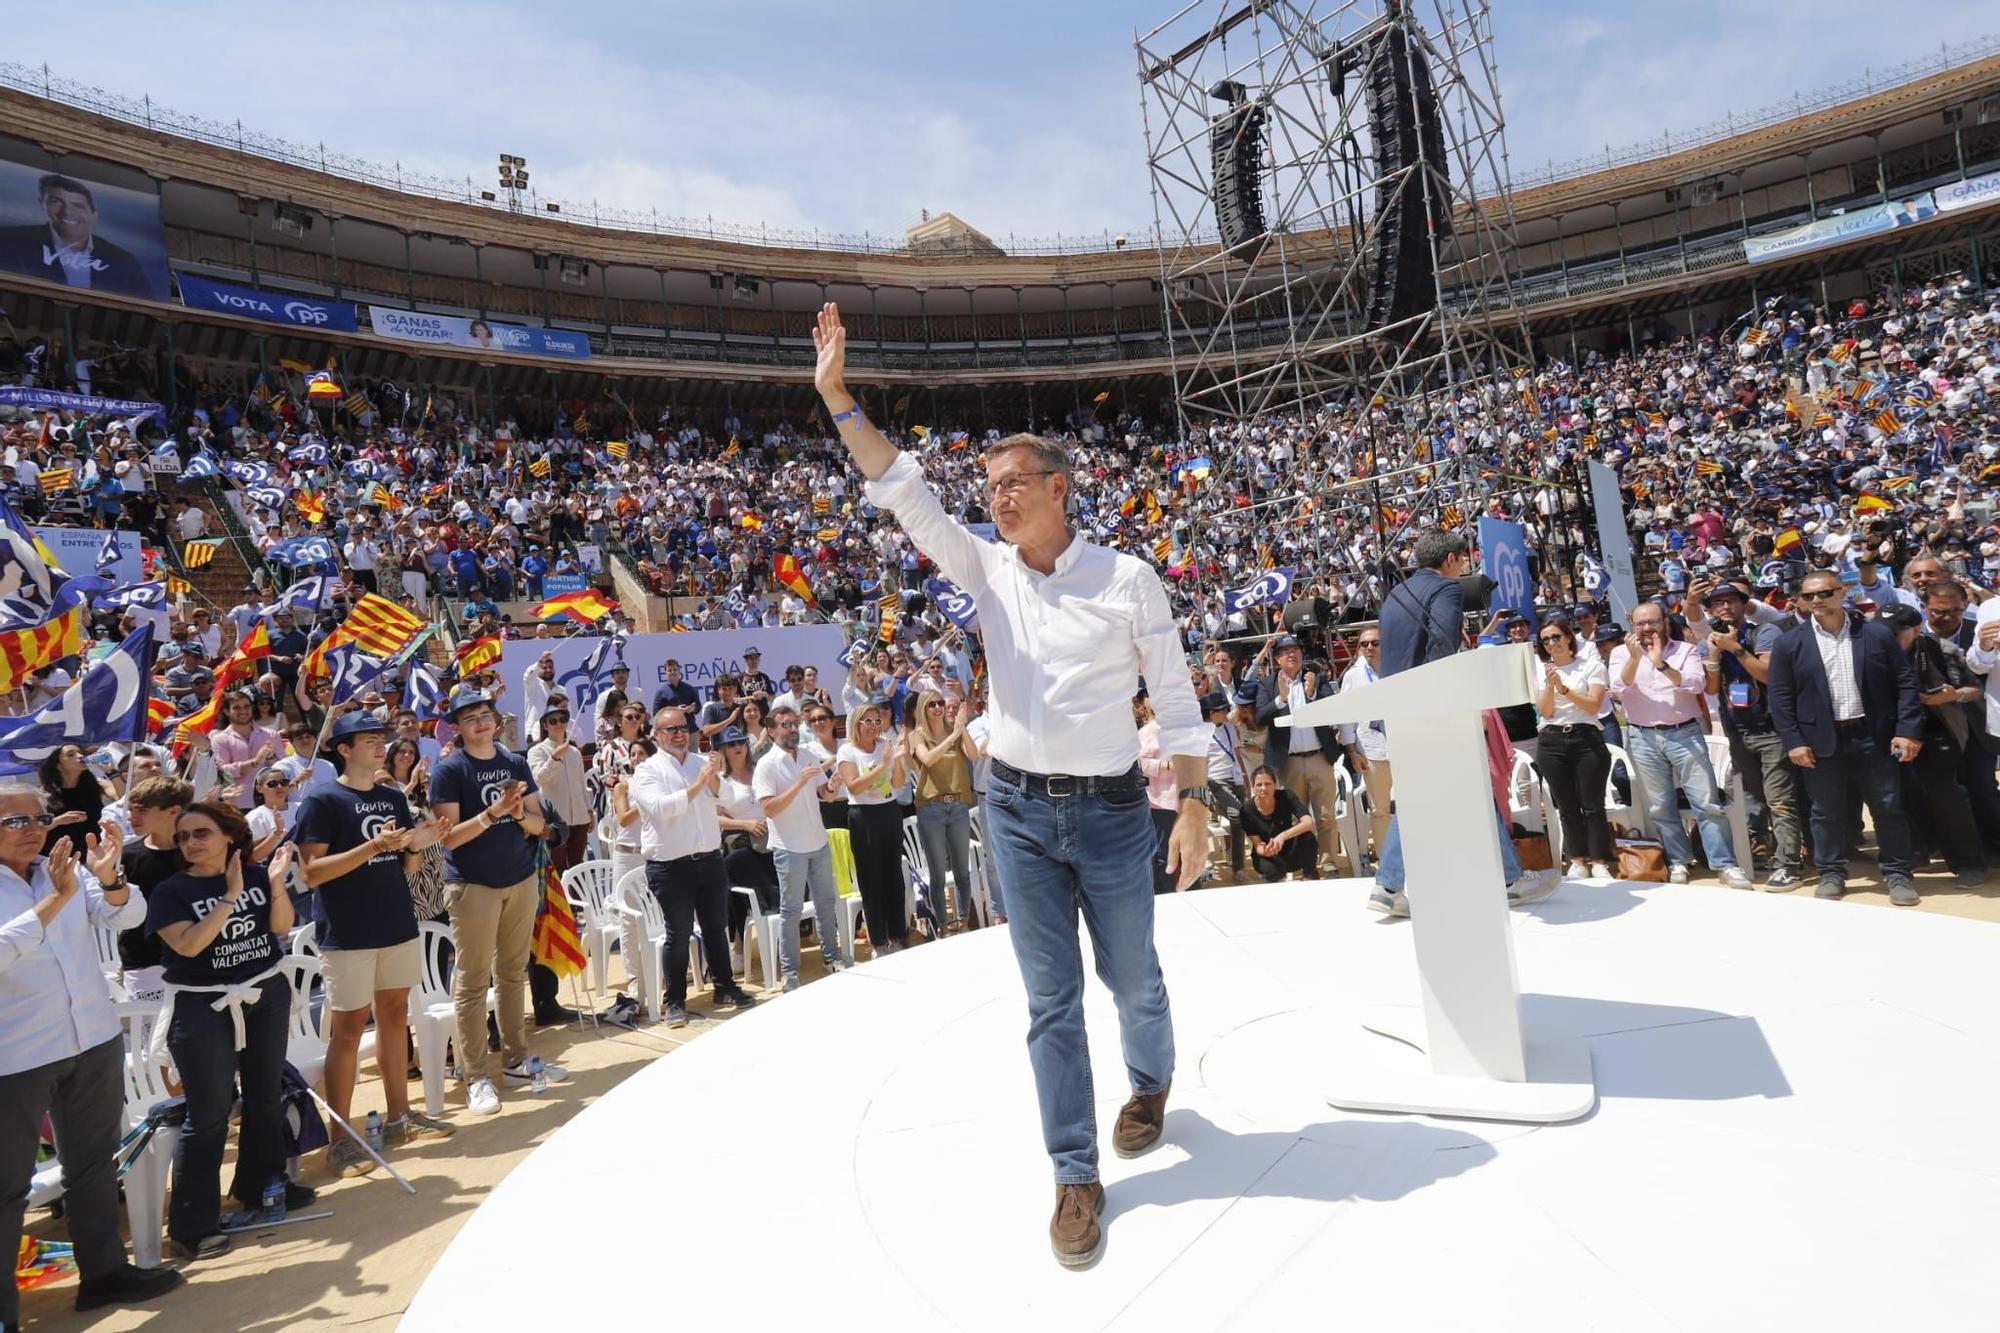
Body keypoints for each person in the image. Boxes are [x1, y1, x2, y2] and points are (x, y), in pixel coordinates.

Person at [815, 301, 1208, 1269]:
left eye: (1009, 482)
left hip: (1115, 812)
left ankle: (1151, 1079)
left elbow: (1178, 700)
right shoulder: (985, 570)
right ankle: (1074, 1174)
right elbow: (903, 492)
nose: (992, 497)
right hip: (1018, 812)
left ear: (1058, 488)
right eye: (986, 486)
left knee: (1132, 979)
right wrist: (836, 399)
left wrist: (1193, 801)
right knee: (1050, 999)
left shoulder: (1126, 580)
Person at [0, 785, 183, 1324]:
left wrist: (109, 876)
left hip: (91, 1037)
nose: (34, 828)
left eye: (40, 817)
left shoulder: (65, 870)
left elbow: (125, 918)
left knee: (93, 1166)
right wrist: (55, 900)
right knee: (8, 1187)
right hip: (16, 1054)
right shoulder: (55, 883)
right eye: (16, 821)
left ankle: (103, 1275)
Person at [146, 802, 307, 1259]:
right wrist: (230, 896)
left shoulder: (256, 875)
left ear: (229, 836)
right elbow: (191, 944)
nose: (191, 843)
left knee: (264, 1094)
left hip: (262, 991)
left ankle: (263, 1186)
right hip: (203, 1005)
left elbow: (282, 928)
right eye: (183, 837)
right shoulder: (170, 891)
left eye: (202, 833)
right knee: (210, 1112)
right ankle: (193, 1224)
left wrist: (273, 884)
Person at [294, 712, 455, 1168]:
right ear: (343, 749)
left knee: (394, 1017)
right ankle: (340, 1137)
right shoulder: (322, 800)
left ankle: (399, 1116)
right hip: (348, 931)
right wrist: (374, 847)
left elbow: (405, 868)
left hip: (395, 922)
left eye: (381, 739)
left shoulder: (390, 797)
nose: (380, 746)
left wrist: (417, 845)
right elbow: (311, 873)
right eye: (368, 740)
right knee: (346, 1031)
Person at [1371, 532, 1547, 916]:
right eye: (1463, 560)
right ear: (1451, 559)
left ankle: (1389, 885)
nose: (1464, 568)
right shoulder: (1447, 590)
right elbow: (1442, 649)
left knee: (1435, 794)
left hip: (1397, 710)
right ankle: (1509, 879)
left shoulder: (1395, 595)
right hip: (1433, 710)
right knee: (1469, 791)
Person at [428, 689, 565, 1115]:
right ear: (457, 726)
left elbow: (541, 824)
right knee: (472, 983)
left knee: (512, 973)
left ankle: (516, 1059)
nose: (482, 722)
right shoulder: (450, 770)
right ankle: (475, 1077)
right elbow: (447, 836)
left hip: (519, 878)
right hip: (473, 885)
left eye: (486, 714)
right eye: (471, 718)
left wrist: (517, 815)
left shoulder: (515, 763)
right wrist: (493, 814)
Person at [1767, 570, 1925, 904]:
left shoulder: (1876, 634)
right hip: (1820, 740)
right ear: (1799, 601)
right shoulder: (1789, 643)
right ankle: (1831, 874)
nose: (1817, 601)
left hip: (1874, 735)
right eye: (1808, 596)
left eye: (1824, 593)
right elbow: (1780, 700)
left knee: (1888, 807)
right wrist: (1794, 741)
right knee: (1825, 811)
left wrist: (1906, 731)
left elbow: (1906, 684)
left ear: (1842, 592)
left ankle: (1897, 873)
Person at [629, 706, 759, 1027]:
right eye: (671, 730)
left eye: (683, 728)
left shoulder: (703, 763)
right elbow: (661, 809)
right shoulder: (648, 770)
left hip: (709, 859)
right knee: (679, 933)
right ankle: (674, 1000)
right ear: (657, 735)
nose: (679, 734)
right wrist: (699, 784)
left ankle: (725, 987)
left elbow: (730, 798)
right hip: (671, 866)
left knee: (717, 928)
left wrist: (712, 779)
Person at [1608, 600, 1752, 888]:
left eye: (1653, 622)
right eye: (1640, 623)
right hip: (1642, 736)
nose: (1647, 627)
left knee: (1706, 802)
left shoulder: (1684, 650)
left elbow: (1696, 685)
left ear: (1664, 622)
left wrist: (1660, 663)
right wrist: (1636, 659)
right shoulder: (1620, 653)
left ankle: (1725, 864)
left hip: (1684, 733)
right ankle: (1678, 861)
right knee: (1661, 806)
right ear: (1632, 626)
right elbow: (1619, 690)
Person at [1704, 581, 1806, 890]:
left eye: (1731, 600)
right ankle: (1785, 848)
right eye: (1717, 603)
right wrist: (1713, 654)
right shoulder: (1711, 641)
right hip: (1737, 731)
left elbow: (1767, 675)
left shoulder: (1764, 632)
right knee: (1759, 799)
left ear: (1742, 604)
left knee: (1779, 800)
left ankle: (1789, 864)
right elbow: (1710, 688)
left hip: (1770, 729)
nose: (1725, 607)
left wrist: (1735, 648)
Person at [1877, 604, 1987, 888]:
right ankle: (1917, 851)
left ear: (1916, 631)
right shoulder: (1870, 648)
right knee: (1897, 796)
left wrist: (1951, 696)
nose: (1887, 638)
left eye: (1894, 634)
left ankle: (1968, 863)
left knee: (1946, 796)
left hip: (1935, 729)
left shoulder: (1941, 651)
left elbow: (1973, 687)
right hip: (1890, 731)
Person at [752, 703, 851, 989]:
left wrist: (831, 785)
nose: (793, 729)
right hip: (789, 847)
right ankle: (790, 972)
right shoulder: (766, 766)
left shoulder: (807, 754)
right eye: (786, 725)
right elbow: (769, 808)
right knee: (791, 910)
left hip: (817, 841)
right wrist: (798, 784)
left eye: (795, 723)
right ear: (771, 731)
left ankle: (831, 957)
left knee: (825, 903)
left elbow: (826, 796)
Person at [1532, 618, 1615, 880]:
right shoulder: (1541, 672)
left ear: (1568, 638)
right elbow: (1545, 711)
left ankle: (1600, 860)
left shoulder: (1590, 666)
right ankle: (1577, 858)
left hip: (1585, 737)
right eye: (1545, 640)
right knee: (1566, 805)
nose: (1551, 644)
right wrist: (1549, 684)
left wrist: (1564, 689)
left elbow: (1593, 706)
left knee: (1592, 804)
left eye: (1556, 637)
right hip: (1552, 740)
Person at [1253, 635, 1342, 875]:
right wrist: (1281, 699)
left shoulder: (1316, 678)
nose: (1292, 654)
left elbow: (1333, 710)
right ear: (1278, 659)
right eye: (1286, 651)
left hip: (1319, 758)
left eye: (1295, 649)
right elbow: (1260, 719)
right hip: (1288, 762)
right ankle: (1303, 866)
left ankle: (1329, 861)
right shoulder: (1268, 684)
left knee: (1326, 816)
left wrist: (1312, 694)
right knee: (1295, 820)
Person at [0, 173, 165, 300]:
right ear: (42, 204)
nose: (67, 211)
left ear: (94, 215)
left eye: (77, 205)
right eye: (56, 201)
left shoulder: (121, 260)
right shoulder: (14, 240)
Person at [835, 698, 910, 955]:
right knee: (871, 879)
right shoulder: (847, 752)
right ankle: (878, 940)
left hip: (889, 811)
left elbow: (898, 782)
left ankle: (898, 934)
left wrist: (897, 759)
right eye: (867, 721)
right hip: (863, 816)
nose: (873, 726)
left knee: (893, 876)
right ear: (856, 724)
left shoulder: (885, 746)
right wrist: (881, 765)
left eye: (876, 721)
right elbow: (853, 786)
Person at [909, 688, 980, 930]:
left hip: (958, 805)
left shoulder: (955, 732)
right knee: (938, 873)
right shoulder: (917, 736)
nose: (938, 708)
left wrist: (962, 729)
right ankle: (941, 923)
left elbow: (974, 754)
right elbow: (927, 759)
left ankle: (963, 921)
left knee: (962, 870)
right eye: (932, 704)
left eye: (940, 703)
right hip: (931, 809)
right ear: (923, 709)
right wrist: (952, 738)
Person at [715, 726, 779, 968]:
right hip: (740, 840)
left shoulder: (760, 769)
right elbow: (715, 817)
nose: (737, 747)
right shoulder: (721, 781)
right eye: (731, 744)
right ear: (724, 750)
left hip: (771, 837)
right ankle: (738, 945)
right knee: (736, 884)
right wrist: (746, 823)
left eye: (741, 742)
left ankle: (778, 934)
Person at [1337, 627, 1392, 865]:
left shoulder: (1398, 666)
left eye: (1375, 643)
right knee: (1379, 810)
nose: (1369, 648)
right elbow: (1346, 716)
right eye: (1364, 644)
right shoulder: (1353, 676)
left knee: (1413, 805)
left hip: (1403, 745)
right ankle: (1386, 860)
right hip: (1372, 750)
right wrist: (1351, 751)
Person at [528, 706, 592, 876]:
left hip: (579, 817)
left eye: (562, 720)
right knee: (557, 868)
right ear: (545, 726)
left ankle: (577, 903)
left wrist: (589, 809)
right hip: (555, 820)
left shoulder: (575, 752)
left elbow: (581, 783)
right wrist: (555, 758)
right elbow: (537, 779)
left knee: (578, 866)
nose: (559, 724)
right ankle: (561, 903)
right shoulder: (537, 751)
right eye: (553, 721)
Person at [1235, 765, 1318, 881]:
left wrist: (1283, 836)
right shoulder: (1246, 810)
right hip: (1268, 856)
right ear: (1252, 787)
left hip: (1290, 851)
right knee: (1274, 871)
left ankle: (1310, 877)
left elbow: (1309, 823)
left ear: (1275, 785)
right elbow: (1257, 844)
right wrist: (1264, 850)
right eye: (1259, 785)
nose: (1263, 788)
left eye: (1268, 784)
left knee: (1308, 837)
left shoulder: (1287, 796)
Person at [209, 689, 281, 812]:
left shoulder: (271, 735)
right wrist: (255, 762)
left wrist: (271, 758)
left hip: (269, 802)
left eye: (246, 706)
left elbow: (281, 768)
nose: (243, 711)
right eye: (237, 708)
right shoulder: (219, 739)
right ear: (227, 711)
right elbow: (222, 772)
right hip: (238, 804)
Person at [38, 745, 105, 859]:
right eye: (71, 754)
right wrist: (59, 821)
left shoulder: (97, 785)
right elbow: (35, 828)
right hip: (58, 857)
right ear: (58, 765)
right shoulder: (43, 794)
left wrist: (112, 772)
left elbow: (124, 799)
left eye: (80, 753)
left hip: (92, 855)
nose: (80, 756)